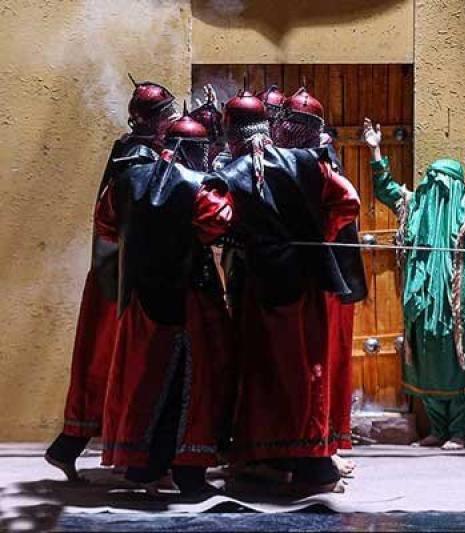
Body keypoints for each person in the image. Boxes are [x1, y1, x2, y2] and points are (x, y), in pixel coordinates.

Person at [218, 88, 365, 493]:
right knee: (307, 372)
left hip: (263, 291)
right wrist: (317, 238)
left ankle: (306, 467)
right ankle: (292, 462)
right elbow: (347, 201)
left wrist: (243, 239)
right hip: (306, 287)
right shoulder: (306, 162)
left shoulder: (229, 174)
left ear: (231, 133)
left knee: (270, 373)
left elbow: (214, 220)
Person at [45, 76, 179, 481]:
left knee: (112, 364)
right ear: (151, 119)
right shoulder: (136, 159)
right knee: (116, 364)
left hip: (123, 273)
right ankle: (123, 456)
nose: (172, 120)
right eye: (167, 115)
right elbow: (140, 217)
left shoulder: (136, 150)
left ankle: (73, 448)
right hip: (120, 279)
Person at [99, 109, 234, 496]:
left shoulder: (127, 179)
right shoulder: (201, 186)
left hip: (140, 299)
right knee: (192, 384)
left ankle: (143, 469)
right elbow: (219, 223)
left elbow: (106, 224)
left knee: (144, 381)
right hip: (189, 299)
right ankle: (189, 473)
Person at [363, 117, 465, 450]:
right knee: (426, 354)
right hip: (422, 301)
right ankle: (436, 428)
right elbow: (387, 189)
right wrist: (375, 150)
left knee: (456, 354)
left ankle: (459, 431)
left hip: (456, 299)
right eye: (430, 180)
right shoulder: (415, 206)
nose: (435, 188)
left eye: (442, 182)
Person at [271, 87, 365, 477]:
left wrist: (319, 238)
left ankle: (322, 447)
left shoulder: (319, 159)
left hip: (322, 276)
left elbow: (345, 205)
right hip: (288, 276)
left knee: (319, 364)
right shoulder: (276, 158)